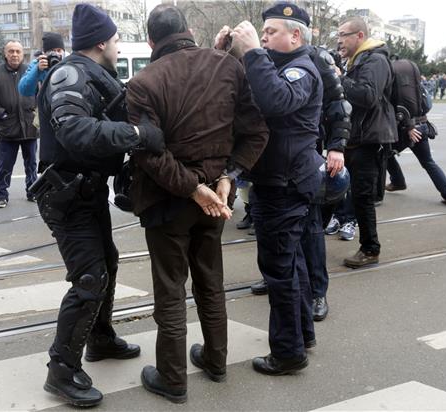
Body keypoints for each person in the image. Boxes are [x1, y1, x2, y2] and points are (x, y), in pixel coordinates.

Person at [126, 5, 268, 403]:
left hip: (168, 199)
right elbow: (256, 131)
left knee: (171, 290)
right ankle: (216, 360)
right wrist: (228, 176)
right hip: (215, 197)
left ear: (151, 41)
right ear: (189, 31)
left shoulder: (142, 82)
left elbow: (148, 154)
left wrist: (192, 188)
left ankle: (173, 379)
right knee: (210, 280)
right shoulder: (228, 67)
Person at [34, 4, 167, 407]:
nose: (118, 44)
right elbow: (73, 129)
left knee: (106, 264)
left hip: (86, 192)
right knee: (89, 279)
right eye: (114, 39)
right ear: (100, 42)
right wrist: (137, 134)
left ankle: (101, 338)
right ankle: (61, 369)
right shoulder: (71, 74)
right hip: (66, 196)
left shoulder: (96, 74)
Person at [217, 2, 324, 376]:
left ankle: (288, 352)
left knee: (279, 270)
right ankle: (301, 334)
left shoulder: (302, 69)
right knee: (291, 265)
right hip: (283, 182)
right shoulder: (279, 66)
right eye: (261, 34)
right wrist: (226, 53)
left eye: (270, 32)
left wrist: (252, 53)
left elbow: (275, 101)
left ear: (295, 35)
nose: (262, 38)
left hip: (284, 186)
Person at [248, 42, 352, 324]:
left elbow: (339, 103)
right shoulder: (263, 55)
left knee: (310, 226)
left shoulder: (315, 57)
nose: (267, 36)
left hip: (304, 156)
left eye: (273, 29)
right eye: (265, 30)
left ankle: (318, 292)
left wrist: (337, 146)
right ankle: (278, 280)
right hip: (269, 159)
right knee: (272, 229)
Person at [337, 16, 398, 269]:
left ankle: (370, 248)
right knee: (338, 190)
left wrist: (339, 78)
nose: (339, 40)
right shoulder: (357, 59)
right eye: (338, 35)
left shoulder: (375, 59)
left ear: (359, 36)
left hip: (368, 140)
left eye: (343, 35)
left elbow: (368, 96)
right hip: (356, 138)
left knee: (362, 197)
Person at [385, 59, 446, 206]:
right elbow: (428, 105)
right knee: (428, 162)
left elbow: (399, 109)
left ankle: (398, 181)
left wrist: (410, 126)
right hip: (422, 125)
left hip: (407, 130)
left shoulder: (397, 88)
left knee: (385, 154)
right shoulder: (418, 88)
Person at [0, 40, 38, 208]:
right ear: (5, 54)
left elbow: (40, 94)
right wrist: (2, 113)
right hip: (8, 129)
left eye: (18, 51)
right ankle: (1, 194)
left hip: (29, 127)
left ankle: (32, 191)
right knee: (5, 165)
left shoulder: (31, 71)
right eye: (11, 51)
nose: (15, 54)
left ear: (23, 54)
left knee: (31, 165)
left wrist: (36, 112)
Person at [18, 32, 65, 97]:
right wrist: (37, 70)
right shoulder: (37, 65)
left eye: (59, 50)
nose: (56, 54)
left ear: (64, 51)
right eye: (52, 51)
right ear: (44, 53)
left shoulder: (68, 63)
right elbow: (24, 91)